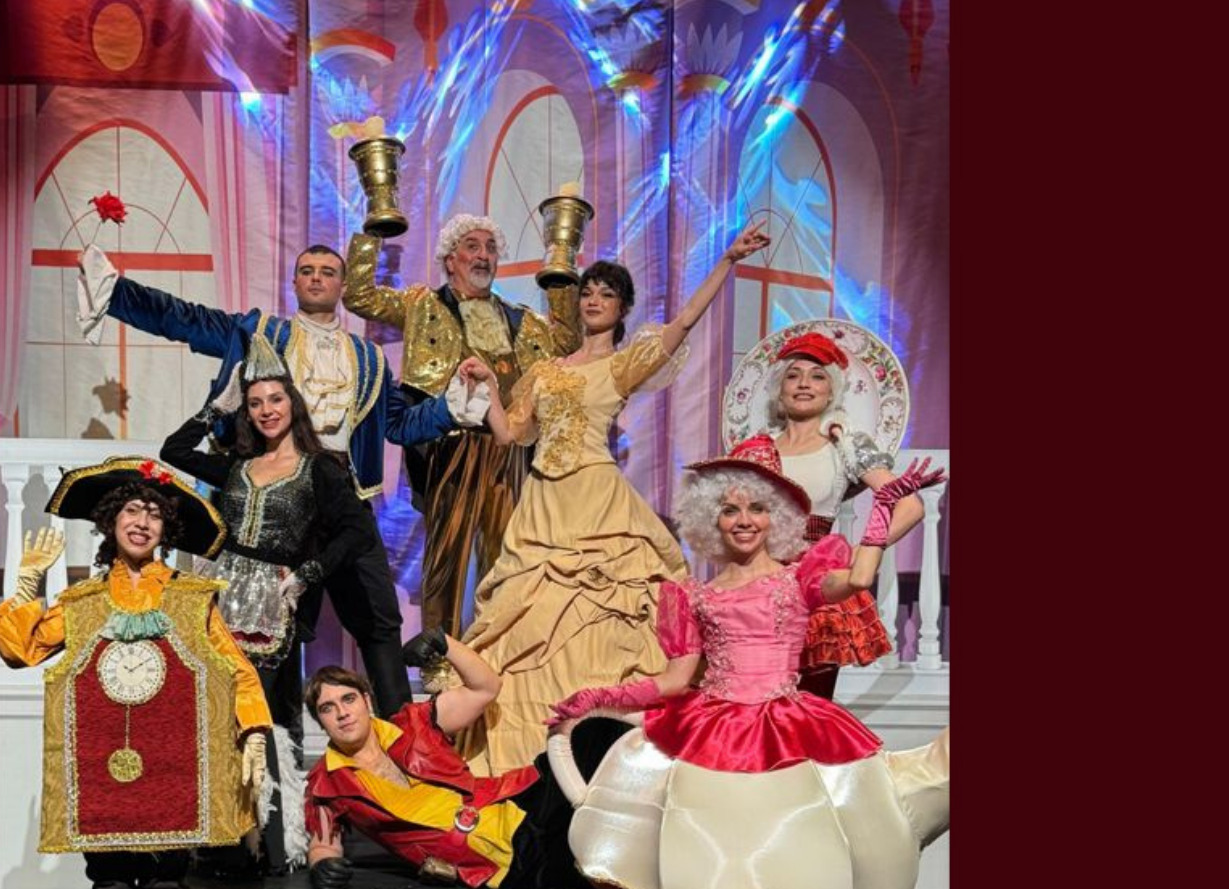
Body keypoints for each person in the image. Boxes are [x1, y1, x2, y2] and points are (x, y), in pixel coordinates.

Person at [549, 432, 947, 889]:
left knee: (784, 872)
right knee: (708, 872)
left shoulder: (802, 576)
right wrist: (599, 696)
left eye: (756, 508)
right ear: (711, 519)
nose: (743, 520)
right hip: (709, 733)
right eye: (730, 509)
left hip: (787, 733)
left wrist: (881, 511)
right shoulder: (693, 596)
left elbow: (859, 579)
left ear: (776, 518)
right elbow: (675, 681)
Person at [77, 242, 462, 721]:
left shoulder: (371, 359)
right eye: (307, 270)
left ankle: (404, 740)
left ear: (343, 286)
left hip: (344, 492)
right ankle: (276, 740)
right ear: (294, 282)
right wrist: (116, 293)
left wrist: (454, 407)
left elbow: (401, 425)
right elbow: (189, 320)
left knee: (379, 620)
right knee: (278, 622)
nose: (317, 278)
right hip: (281, 492)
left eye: (327, 271)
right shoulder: (263, 333)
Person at [453, 221, 772, 776]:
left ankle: (601, 753)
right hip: (543, 504)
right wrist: (486, 386)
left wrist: (727, 260)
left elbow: (684, 321)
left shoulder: (623, 365)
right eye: (589, 292)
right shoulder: (544, 371)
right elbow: (510, 435)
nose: (594, 300)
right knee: (531, 615)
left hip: (598, 499)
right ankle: (524, 759)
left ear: (622, 309)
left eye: (607, 294)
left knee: (608, 611)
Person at [0, 457, 271, 889]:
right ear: (110, 521)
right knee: (112, 884)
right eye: (131, 510)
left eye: (153, 514)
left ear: (166, 528)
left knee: (165, 886)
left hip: (175, 763)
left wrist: (254, 732)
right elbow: (20, 650)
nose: (142, 522)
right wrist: (23, 587)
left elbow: (236, 670)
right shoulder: (82, 601)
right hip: (102, 766)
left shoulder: (193, 598)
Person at [159, 340, 375, 873]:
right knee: (218, 714)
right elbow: (174, 450)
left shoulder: (320, 469)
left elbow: (357, 531)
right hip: (220, 598)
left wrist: (307, 575)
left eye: (275, 399)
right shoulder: (238, 464)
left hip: (273, 605)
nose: (266, 410)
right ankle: (225, 837)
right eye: (255, 403)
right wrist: (216, 407)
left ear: (292, 404)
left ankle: (280, 842)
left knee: (270, 719)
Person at [343, 213, 581, 634]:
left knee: (507, 553)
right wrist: (372, 231)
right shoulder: (423, 305)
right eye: (473, 246)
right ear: (450, 260)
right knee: (446, 558)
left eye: (490, 248)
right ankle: (440, 653)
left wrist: (561, 269)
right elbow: (359, 296)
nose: (483, 255)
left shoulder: (521, 318)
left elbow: (567, 341)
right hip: (450, 443)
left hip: (508, 446)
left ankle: (498, 648)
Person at [300, 632, 611, 889]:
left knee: (596, 730)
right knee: (596, 868)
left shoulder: (414, 723)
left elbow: (486, 687)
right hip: (498, 859)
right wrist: (322, 865)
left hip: (520, 803)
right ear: (319, 720)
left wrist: (443, 642)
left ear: (366, 701)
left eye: (348, 699)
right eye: (327, 708)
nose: (342, 713)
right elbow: (324, 844)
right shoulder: (326, 782)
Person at [765, 331, 930, 700]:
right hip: (760, 584)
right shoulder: (759, 448)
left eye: (817, 376)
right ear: (779, 389)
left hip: (815, 587)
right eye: (793, 375)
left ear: (831, 392)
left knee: (807, 706)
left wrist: (858, 554)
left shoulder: (844, 444)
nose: (804, 383)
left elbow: (910, 505)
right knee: (755, 704)